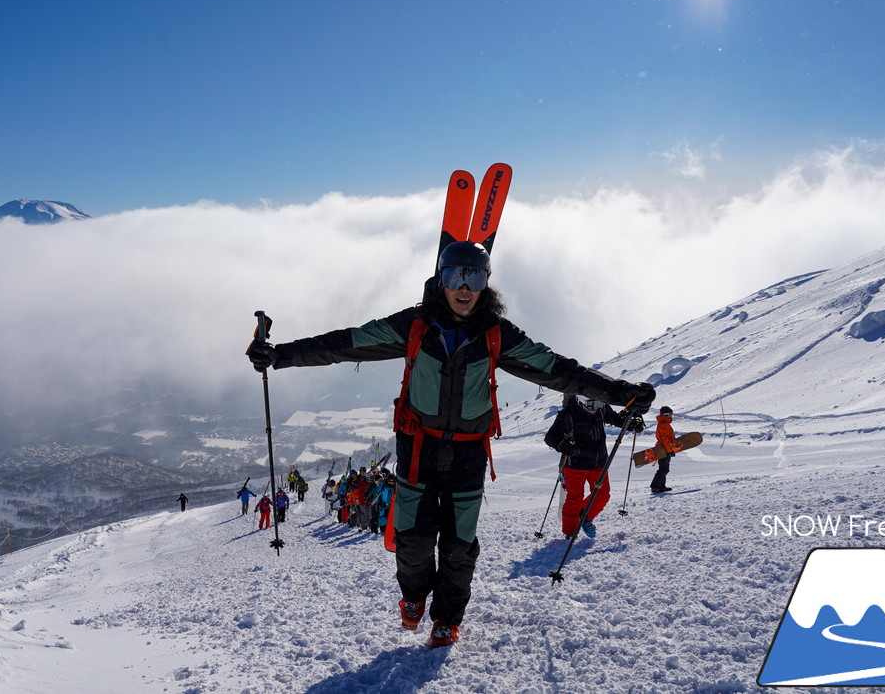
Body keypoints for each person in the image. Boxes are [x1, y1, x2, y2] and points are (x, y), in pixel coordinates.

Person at [248, 240, 655, 649]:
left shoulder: (497, 334)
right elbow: (346, 342)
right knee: (412, 541)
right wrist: (279, 355)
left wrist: (618, 393)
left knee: (460, 547)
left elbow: (558, 370)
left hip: (467, 453)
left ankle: (446, 619)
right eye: (456, 275)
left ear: (486, 283)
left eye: (474, 276)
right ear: (440, 279)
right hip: (417, 448)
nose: (465, 286)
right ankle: (413, 598)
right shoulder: (415, 325)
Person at [545, 395, 644, 538]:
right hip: (576, 464)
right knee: (574, 498)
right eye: (592, 405)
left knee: (602, 495)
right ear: (581, 401)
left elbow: (616, 419)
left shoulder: (600, 407)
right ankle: (570, 534)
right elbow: (550, 437)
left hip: (599, 461)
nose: (597, 408)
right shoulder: (569, 413)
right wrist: (561, 445)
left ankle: (584, 516)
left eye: (599, 403)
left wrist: (631, 423)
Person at [651, 406, 681, 493]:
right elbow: (665, 439)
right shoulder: (664, 424)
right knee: (664, 469)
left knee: (663, 467)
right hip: (663, 449)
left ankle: (661, 486)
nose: (671, 416)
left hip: (664, 448)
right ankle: (655, 486)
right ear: (666, 414)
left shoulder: (664, 423)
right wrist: (669, 450)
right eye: (670, 414)